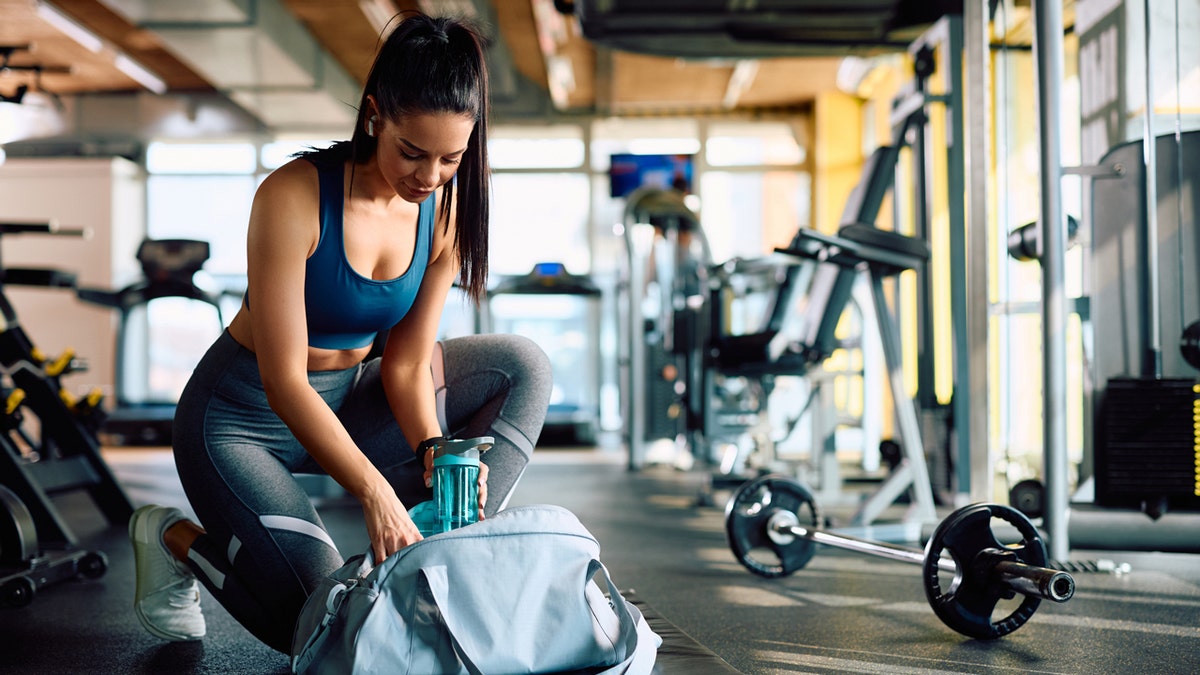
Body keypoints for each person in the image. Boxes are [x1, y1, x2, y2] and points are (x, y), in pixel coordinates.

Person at [127, 11, 552, 653]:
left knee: (522, 365)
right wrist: (374, 490)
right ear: (376, 114)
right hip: (240, 424)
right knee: (323, 630)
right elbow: (284, 379)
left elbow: (408, 365)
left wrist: (437, 452)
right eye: (412, 152)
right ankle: (173, 539)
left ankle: (455, 546)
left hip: (348, 405)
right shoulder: (293, 196)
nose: (429, 176)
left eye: (451, 158)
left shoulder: (444, 212)